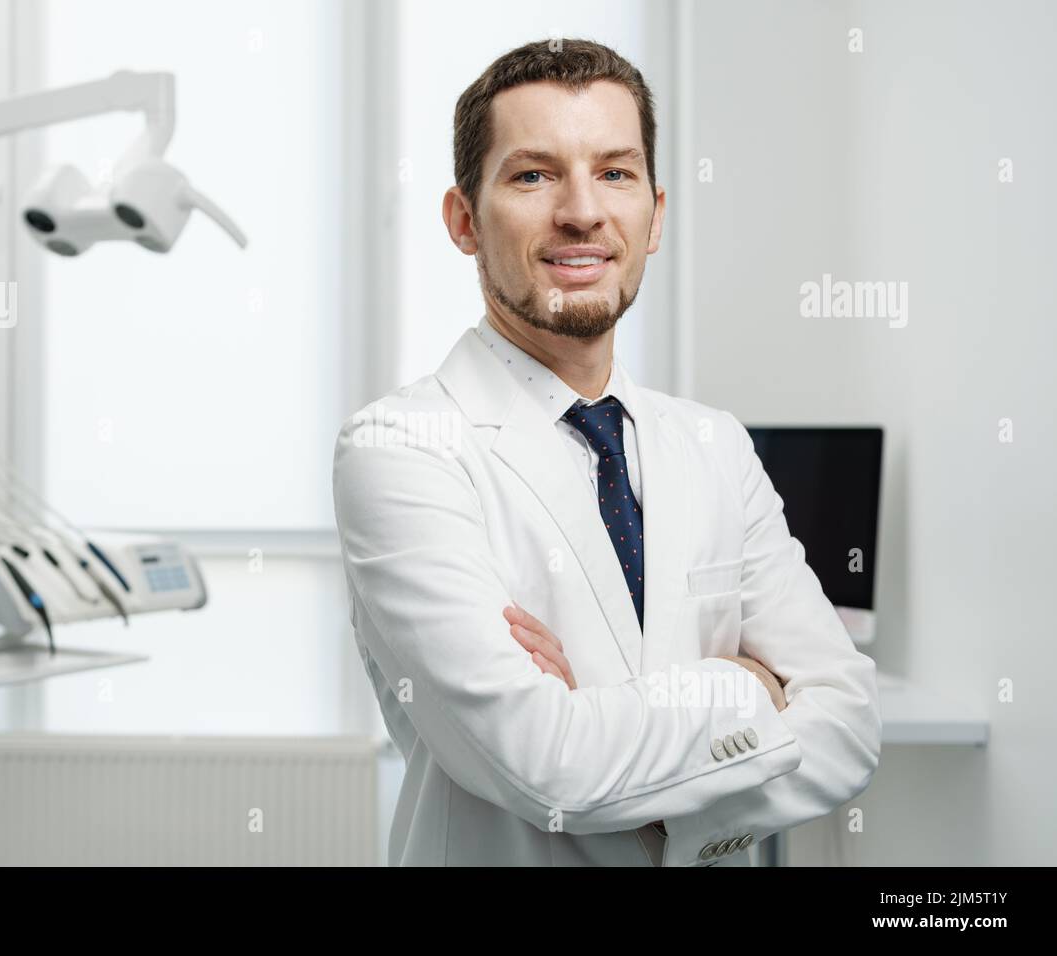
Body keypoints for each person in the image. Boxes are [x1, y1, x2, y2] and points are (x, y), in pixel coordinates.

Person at [331, 37, 880, 866]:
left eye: (615, 173)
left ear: (655, 216)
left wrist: (660, 804)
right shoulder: (401, 450)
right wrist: (745, 687)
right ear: (464, 221)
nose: (582, 211)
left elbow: (847, 722)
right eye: (533, 174)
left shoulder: (713, 446)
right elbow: (547, 767)